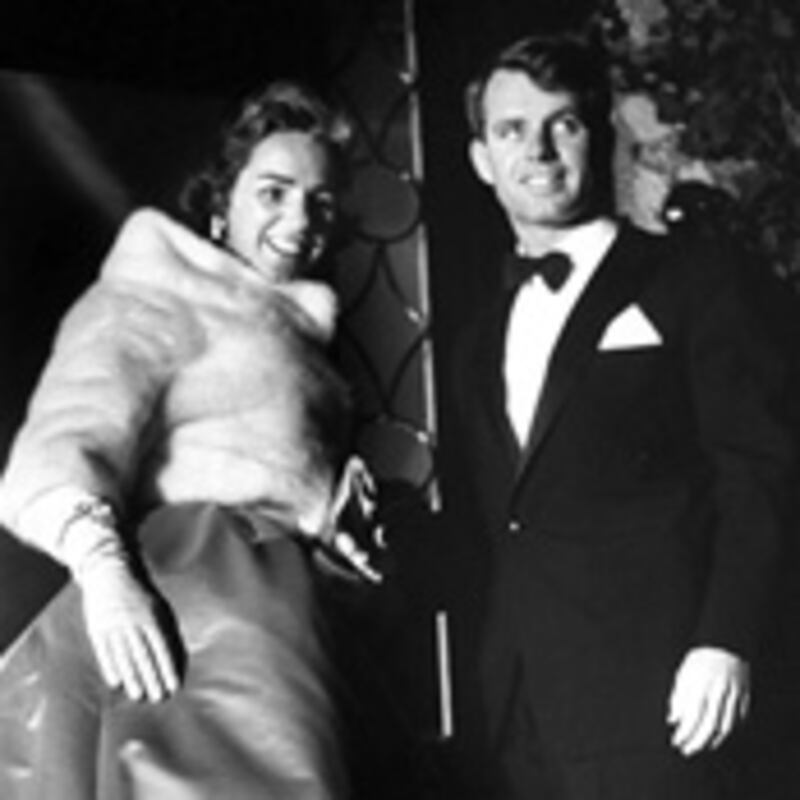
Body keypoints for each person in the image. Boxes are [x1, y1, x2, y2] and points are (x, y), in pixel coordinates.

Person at [0, 79, 373, 799]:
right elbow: (56, 450)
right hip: (201, 614)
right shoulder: (157, 294)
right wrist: (106, 578)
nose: (300, 219)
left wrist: (333, 523)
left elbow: (259, 474)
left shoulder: (297, 336)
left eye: (321, 201)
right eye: (273, 192)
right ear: (221, 202)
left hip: (277, 622)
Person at [446, 31, 793, 799]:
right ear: (481, 160)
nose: (538, 150)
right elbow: (501, 523)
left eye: (562, 124)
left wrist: (727, 638)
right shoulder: (476, 342)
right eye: (511, 130)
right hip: (524, 723)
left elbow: (763, 470)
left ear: (600, 138)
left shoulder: (698, 279)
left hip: (671, 702)